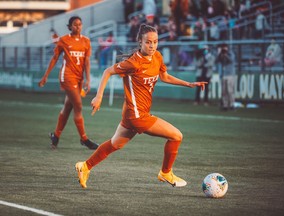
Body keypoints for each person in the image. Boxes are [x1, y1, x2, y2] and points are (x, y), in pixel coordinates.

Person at [75, 24, 207, 189]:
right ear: (140, 42)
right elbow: (108, 71)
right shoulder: (133, 63)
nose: (152, 46)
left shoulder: (157, 57)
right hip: (137, 116)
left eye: (155, 42)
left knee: (116, 144)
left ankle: (85, 166)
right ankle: (166, 173)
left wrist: (188, 84)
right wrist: (99, 96)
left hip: (134, 114)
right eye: (148, 42)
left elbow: (164, 76)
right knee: (176, 136)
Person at [38, 16, 99, 150]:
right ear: (70, 26)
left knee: (68, 107)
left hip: (79, 78)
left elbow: (87, 62)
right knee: (78, 105)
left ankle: (56, 136)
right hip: (67, 76)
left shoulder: (86, 41)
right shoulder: (64, 40)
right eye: (75, 24)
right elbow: (55, 58)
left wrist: (88, 79)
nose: (78, 26)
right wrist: (45, 76)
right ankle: (84, 139)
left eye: (80, 24)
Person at [216, 43, 236, 111]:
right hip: (223, 74)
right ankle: (225, 105)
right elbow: (217, 61)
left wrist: (225, 55)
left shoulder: (231, 53)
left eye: (224, 47)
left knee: (230, 91)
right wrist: (219, 54)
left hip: (230, 74)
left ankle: (232, 105)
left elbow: (231, 60)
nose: (224, 49)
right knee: (224, 91)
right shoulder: (221, 55)